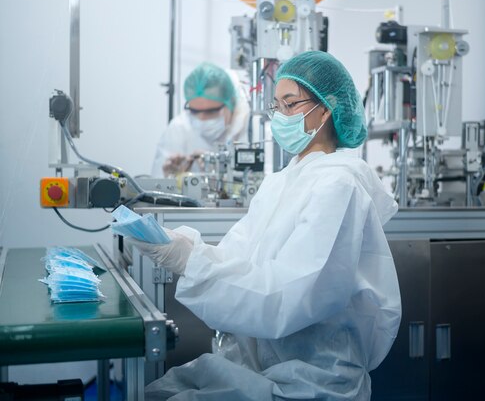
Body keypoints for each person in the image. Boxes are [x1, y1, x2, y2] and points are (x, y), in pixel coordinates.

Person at [130, 50, 402, 400]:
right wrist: (181, 246)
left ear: (326, 108)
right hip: (259, 365)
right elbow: (238, 257)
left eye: (291, 104)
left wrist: (188, 262)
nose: (281, 117)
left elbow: (289, 296)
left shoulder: (338, 185)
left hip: (312, 378)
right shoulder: (283, 180)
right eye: (277, 107)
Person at [152, 62, 250, 177]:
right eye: (194, 111)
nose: (202, 118)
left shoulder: (249, 126)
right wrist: (173, 178)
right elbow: (157, 184)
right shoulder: (179, 129)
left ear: (231, 103)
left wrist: (219, 173)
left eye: (211, 111)